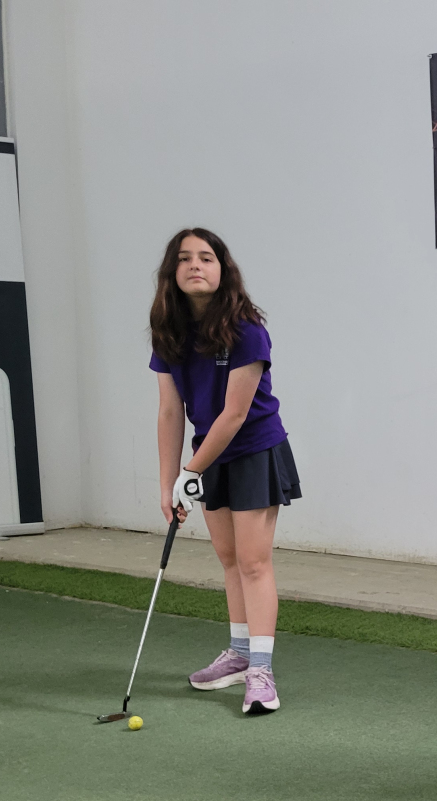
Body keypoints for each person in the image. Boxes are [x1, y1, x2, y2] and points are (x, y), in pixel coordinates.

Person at [148, 227, 301, 715]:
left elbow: (234, 414)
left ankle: (262, 672)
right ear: (172, 271)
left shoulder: (247, 329)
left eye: (206, 257)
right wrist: (169, 484)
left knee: (254, 562)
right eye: (185, 258)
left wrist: (190, 470)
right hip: (210, 454)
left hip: (254, 450)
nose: (195, 264)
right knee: (230, 559)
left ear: (222, 269)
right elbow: (170, 412)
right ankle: (238, 654)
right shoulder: (169, 332)